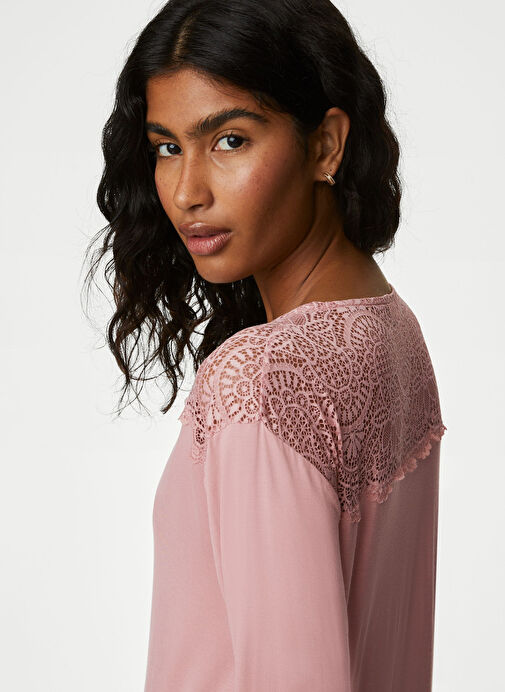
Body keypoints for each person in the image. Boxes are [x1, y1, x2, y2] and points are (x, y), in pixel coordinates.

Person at [83, 0, 447, 689]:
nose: (186, 192)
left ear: (325, 145)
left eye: (229, 140)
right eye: (167, 147)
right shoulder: (392, 329)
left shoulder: (258, 379)